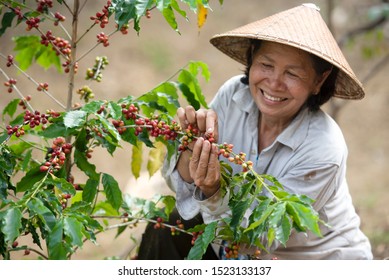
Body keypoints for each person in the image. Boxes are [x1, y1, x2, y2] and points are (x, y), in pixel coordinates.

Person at [137, 3, 373, 260]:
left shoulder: (324, 148)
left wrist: (214, 191)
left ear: (319, 81)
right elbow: (182, 190)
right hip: (236, 250)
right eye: (266, 65)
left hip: (307, 262)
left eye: (292, 73)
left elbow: (263, 235)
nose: (274, 83)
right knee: (167, 224)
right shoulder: (233, 97)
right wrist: (189, 154)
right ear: (251, 57)